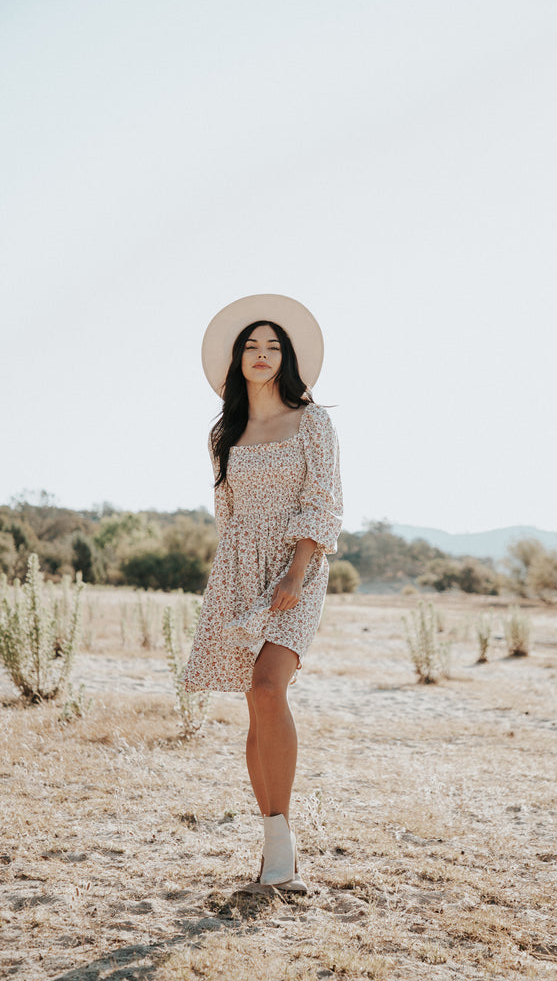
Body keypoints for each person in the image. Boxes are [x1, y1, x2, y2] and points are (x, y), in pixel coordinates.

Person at [182, 294, 343, 893]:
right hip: (239, 570)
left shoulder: (314, 421)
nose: (262, 354)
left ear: (289, 357)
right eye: (252, 345)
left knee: (269, 687)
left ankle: (282, 852)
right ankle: (277, 847)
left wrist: (296, 572)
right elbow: (225, 513)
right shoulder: (224, 431)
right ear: (236, 358)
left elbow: (323, 499)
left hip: (298, 567)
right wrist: (233, 579)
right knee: (255, 700)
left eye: (273, 346)